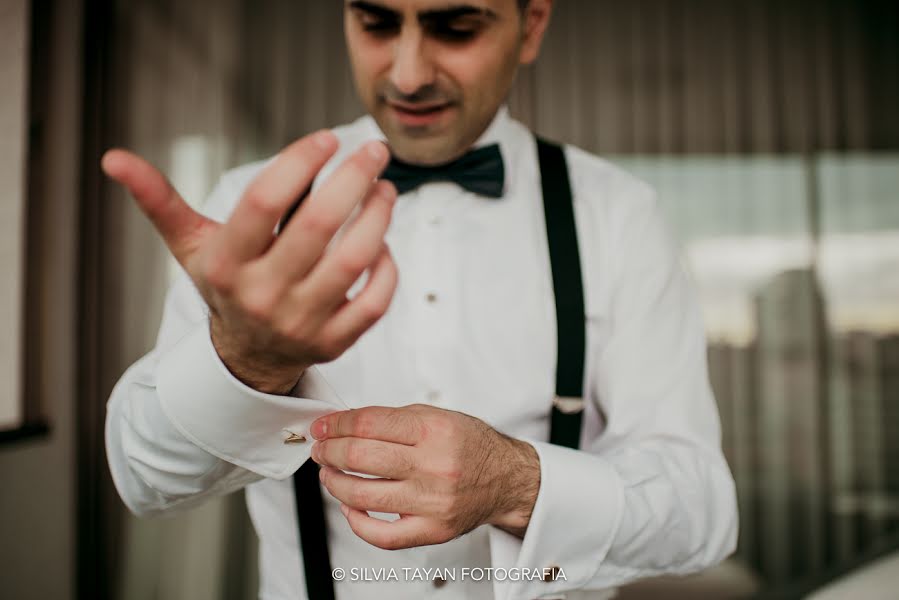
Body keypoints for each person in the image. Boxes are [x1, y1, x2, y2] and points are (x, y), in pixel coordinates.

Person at [102, 1, 738, 599]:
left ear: (532, 24)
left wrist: (518, 484)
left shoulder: (619, 214)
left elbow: (702, 511)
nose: (407, 76)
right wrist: (245, 362)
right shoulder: (252, 207)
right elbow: (145, 482)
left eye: (456, 28)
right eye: (377, 23)